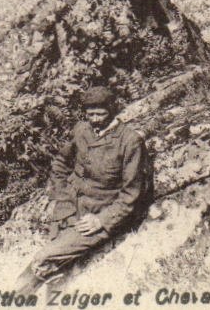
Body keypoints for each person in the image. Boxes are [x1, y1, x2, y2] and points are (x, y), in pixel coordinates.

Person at [14, 86, 153, 295]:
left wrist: (102, 220)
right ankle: (30, 304)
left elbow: (131, 194)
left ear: (112, 110)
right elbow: (61, 162)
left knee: (45, 257)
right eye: (91, 114)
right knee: (56, 268)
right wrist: (61, 195)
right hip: (69, 208)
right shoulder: (82, 130)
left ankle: (9, 301)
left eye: (101, 114)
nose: (95, 119)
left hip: (97, 215)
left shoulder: (130, 141)